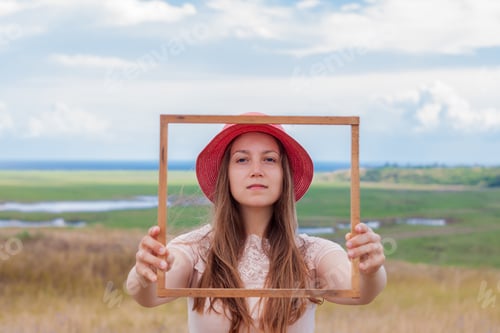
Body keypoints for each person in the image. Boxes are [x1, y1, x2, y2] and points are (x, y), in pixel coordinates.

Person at [126, 113, 387, 333]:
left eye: (269, 159)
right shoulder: (195, 249)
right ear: (225, 175)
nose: (256, 170)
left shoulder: (312, 254)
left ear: (284, 173)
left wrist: (370, 269)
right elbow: (146, 295)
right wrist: (145, 272)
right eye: (242, 159)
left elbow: (360, 291)